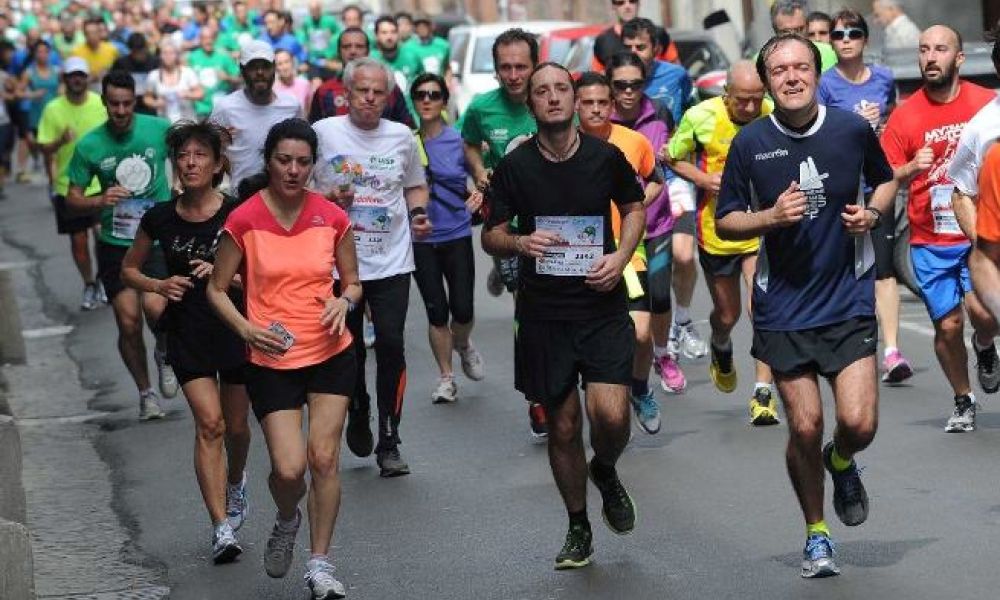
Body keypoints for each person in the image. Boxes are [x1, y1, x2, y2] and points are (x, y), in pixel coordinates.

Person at [716, 32, 897, 578]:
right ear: (768, 83)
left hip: (846, 299)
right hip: (784, 307)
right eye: (780, 71)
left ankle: (840, 462)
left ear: (816, 74)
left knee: (859, 423)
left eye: (801, 67)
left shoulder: (850, 129)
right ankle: (817, 535)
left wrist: (871, 214)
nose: (792, 77)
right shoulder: (750, 143)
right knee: (804, 426)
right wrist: (768, 218)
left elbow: (884, 182)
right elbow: (727, 218)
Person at [482, 61, 645, 570]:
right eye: (540, 92)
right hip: (544, 315)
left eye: (560, 89)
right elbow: (491, 233)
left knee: (612, 417)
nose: (552, 98)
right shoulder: (516, 166)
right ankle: (578, 525)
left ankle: (606, 468)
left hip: (601, 306)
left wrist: (620, 258)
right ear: (529, 104)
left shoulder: (606, 156)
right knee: (564, 427)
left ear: (574, 100)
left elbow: (635, 207)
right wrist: (520, 241)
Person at [208, 118, 359, 599]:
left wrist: (345, 301)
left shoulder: (331, 216)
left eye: (302, 162)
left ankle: (319, 565)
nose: (293, 170)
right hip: (272, 357)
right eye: (283, 160)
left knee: (323, 459)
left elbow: (353, 282)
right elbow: (216, 289)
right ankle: (287, 517)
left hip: (330, 350)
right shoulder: (245, 218)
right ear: (268, 162)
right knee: (290, 471)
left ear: (313, 165)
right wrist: (247, 329)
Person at [121, 120, 251, 565]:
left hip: (233, 327)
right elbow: (130, 270)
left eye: (200, 155)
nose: (190, 162)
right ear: (174, 163)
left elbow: (259, 276)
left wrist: (226, 277)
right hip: (187, 331)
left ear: (217, 164)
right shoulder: (159, 216)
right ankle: (220, 527)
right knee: (210, 425)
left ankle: (236, 483)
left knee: (236, 428)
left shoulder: (237, 214)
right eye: (183, 155)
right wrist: (159, 286)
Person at [312, 57, 431, 477]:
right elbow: (300, 189)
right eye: (362, 90)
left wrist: (418, 213)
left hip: (393, 260)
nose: (370, 98)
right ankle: (358, 405)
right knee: (351, 351)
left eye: (379, 92)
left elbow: (415, 183)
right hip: (338, 265)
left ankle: (390, 439)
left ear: (389, 96)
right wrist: (328, 196)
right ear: (346, 92)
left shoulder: (402, 136)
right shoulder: (323, 133)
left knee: (393, 346)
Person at [881, 25, 1000, 433]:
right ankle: (963, 399)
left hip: (976, 231)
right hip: (929, 240)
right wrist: (910, 168)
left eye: (941, 49)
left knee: (985, 316)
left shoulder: (986, 105)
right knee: (947, 324)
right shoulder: (905, 116)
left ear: (959, 58)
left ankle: (984, 346)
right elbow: (884, 177)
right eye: (924, 50)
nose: (931, 57)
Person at [666, 60, 779, 425]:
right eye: (741, 100)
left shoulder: (772, 113)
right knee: (727, 314)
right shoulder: (700, 117)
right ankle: (720, 343)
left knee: (761, 309)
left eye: (755, 99)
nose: (748, 108)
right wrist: (703, 179)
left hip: (761, 227)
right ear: (726, 93)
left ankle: (763, 393)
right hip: (718, 230)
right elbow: (671, 155)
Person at [65, 70, 176, 419]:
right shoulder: (90, 145)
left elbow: (193, 149)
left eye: (127, 103)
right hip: (116, 244)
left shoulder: (158, 129)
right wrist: (100, 200)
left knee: (157, 310)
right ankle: (146, 394)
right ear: (104, 103)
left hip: (156, 240)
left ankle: (164, 349)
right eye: (114, 104)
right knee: (128, 322)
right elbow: (72, 199)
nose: (121, 111)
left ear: (135, 102)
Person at [818, 9, 912, 384]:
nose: (845, 39)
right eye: (838, 34)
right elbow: (817, 129)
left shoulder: (885, 77)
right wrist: (853, 122)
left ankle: (891, 351)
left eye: (853, 33)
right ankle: (842, 342)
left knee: (884, 267)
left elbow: (893, 118)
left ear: (865, 40)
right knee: (840, 267)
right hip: (839, 186)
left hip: (877, 184)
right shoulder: (824, 83)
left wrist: (881, 121)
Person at [459, 28, 545, 436]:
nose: (513, 75)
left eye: (521, 67)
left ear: (535, 65)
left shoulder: (553, 99)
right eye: (505, 68)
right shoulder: (480, 107)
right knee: (526, 307)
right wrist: (479, 173)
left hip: (552, 226)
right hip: (506, 225)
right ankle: (538, 397)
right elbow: (470, 143)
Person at [576, 70, 664, 434]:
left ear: (612, 105)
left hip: (628, 252)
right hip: (579, 255)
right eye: (588, 103)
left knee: (642, 333)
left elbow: (657, 179)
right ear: (576, 106)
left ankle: (640, 389)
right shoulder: (563, 144)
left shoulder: (633, 141)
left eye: (602, 103)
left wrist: (634, 208)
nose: (596, 110)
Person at [618, 19, 705, 364]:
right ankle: (654, 325)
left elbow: (693, 118)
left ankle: (682, 319)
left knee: (684, 256)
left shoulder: (676, 76)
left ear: (655, 47)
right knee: (649, 271)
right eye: (629, 47)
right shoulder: (617, 83)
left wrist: (689, 163)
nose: (634, 53)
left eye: (641, 46)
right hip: (637, 184)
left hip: (673, 175)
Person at [608, 52, 687, 395]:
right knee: (625, 304)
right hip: (614, 231)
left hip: (656, 225)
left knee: (659, 295)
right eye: (620, 85)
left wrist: (679, 189)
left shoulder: (660, 113)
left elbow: (669, 162)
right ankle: (625, 363)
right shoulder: (598, 121)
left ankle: (662, 354)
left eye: (635, 85)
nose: (628, 92)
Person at [409, 72, 485, 403]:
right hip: (420, 240)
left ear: (444, 101)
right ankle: (446, 378)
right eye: (420, 95)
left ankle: (464, 343)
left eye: (434, 94)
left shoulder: (459, 141)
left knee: (463, 310)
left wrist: (479, 195)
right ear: (413, 100)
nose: (427, 100)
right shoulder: (406, 142)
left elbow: (482, 178)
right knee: (436, 312)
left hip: (456, 234)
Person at [35, 56, 107, 309]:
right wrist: (59, 142)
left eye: (81, 75)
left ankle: (104, 279)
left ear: (87, 78)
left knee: (102, 236)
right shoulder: (53, 109)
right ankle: (89, 284)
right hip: (68, 186)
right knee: (78, 242)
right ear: (64, 79)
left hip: (100, 184)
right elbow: (44, 148)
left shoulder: (101, 104)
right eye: (72, 75)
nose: (77, 79)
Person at [210, 39, 302, 194]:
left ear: (274, 68)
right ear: (242, 69)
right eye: (253, 67)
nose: (260, 73)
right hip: (241, 198)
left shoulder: (291, 105)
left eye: (265, 66)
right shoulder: (225, 108)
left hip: (284, 197)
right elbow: (209, 151)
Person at [307, 27, 414, 128]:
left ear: (368, 51)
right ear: (339, 52)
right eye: (347, 46)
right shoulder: (324, 90)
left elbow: (407, 128)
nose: (353, 51)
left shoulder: (388, 88)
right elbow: (314, 131)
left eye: (359, 46)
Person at [187, 27, 240, 121]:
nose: (208, 41)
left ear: (214, 39)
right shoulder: (192, 57)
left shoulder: (224, 56)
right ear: (200, 40)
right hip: (200, 108)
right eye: (204, 38)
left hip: (221, 108)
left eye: (210, 38)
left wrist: (227, 77)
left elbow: (239, 79)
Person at [767, 1, 836, 72]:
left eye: (799, 29)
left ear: (808, 26)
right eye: (786, 32)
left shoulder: (830, 53)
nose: (794, 36)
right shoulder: (765, 58)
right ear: (776, 31)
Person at [145, 39, 202, 123]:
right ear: (160, 55)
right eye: (165, 53)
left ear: (177, 55)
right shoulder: (154, 75)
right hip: (165, 124)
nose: (168, 56)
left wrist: (187, 94)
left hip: (187, 124)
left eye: (171, 53)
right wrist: (156, 103)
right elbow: (147, 98)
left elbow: (200, 93)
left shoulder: (187, 72)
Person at [111, 32, 159, 115]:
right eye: (136, 52)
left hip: (152, 106)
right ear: (130, 50)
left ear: (145, 48)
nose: (139, 56)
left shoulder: (155, 62)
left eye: (141, 52)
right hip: (129, 106)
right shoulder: (121, 64)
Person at [371, 15, 422, 92]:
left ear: (398, 34)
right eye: (384, 33)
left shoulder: (412, 56)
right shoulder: (370, 60)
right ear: (376, 35)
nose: (389, 37)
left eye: (393, 32)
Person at [71, 17, 118, 86]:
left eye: (94, 32)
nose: (91, 36)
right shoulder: (76, 52)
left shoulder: (111, 49)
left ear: (99, 33)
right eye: (88, 33)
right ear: (84, 34)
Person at [407, 13, 450, 79]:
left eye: (425, 25)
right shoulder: (408, 48)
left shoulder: (442, 45)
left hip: (440, 85)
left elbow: (447, 68)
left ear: (431, 26)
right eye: (419, 26)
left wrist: (447, 82)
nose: (422, 28)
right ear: (415, 28)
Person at [273, 48, 312, 113]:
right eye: (280, 64)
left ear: (292, 62)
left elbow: (308, 111)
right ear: (275, 67)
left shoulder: (304, 84)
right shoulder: (273, 88)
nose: (285, 67)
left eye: (287, 62)